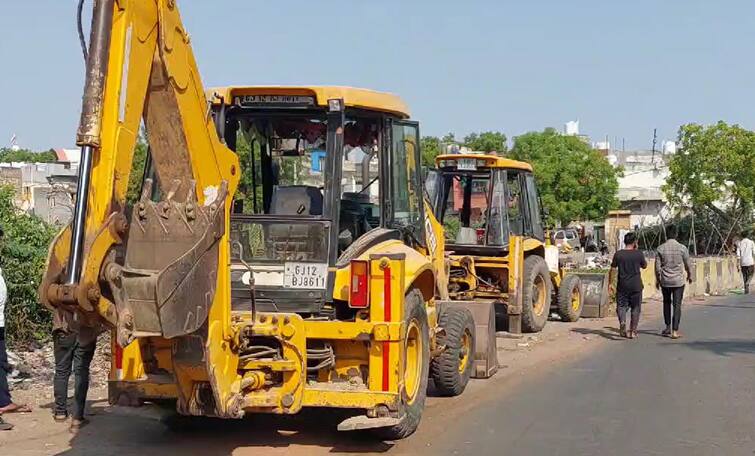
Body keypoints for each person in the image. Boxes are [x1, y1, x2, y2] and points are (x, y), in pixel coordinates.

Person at [52, 307, 98, 433]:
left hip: (63, 330)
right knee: (81, 371)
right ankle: (77, 418)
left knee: (61, 371)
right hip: (86, 332)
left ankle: (60, 412)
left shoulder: (58, 286)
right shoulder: (92, 287)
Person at [655, 225, 693, 339]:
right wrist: (690, 275)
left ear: (666, 234)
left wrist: (658, 280)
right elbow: (688, 264)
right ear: (676, 234)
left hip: (665, 281)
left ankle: (667, 327)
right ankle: (675, 331)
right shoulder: (682, 248)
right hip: (678, 282)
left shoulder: (660, 248)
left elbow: (657, 268)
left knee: (666, 303)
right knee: (677, 305)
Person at [609, 232, 647, 339]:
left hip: (622, 285)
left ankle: (622, 322)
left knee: (621, 306)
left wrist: (610, 283)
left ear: (624, 241)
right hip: (636, 285)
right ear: (635, 242)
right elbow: (644, 266)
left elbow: (612, 269)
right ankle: (633, 331)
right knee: (636, 307)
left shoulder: (618, 254)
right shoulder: (639, 253)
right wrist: (637, 249)